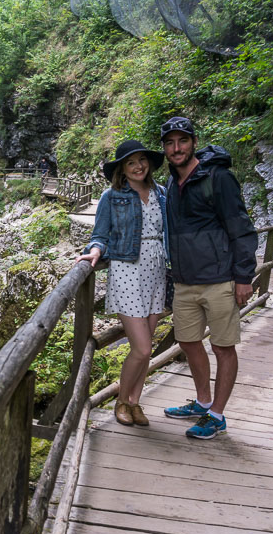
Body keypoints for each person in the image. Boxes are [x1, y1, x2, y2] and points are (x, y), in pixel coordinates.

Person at [159, 116, 257, 440]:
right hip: (185, 281)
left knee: (223, 347)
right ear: (165, 148)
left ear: (193, 142)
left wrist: (244, 276)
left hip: (219, 278)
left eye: (182, 141)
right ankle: (202, 402)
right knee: (187, 341)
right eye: (170, 143)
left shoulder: (218, 177)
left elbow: (240, 227)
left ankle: (217, 415)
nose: (176, 148)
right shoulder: (172, 183)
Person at [77, 139, 168, 427]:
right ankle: (120, 400)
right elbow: (100, 234)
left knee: (148, 346)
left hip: (157, 271)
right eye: (131, 162)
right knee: (140, 348)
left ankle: (134, 402)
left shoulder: (161, 193)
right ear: (122, 169)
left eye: (142, 160)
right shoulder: (112, 196)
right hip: (128, 270)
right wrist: (94, 251)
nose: (138, 166)